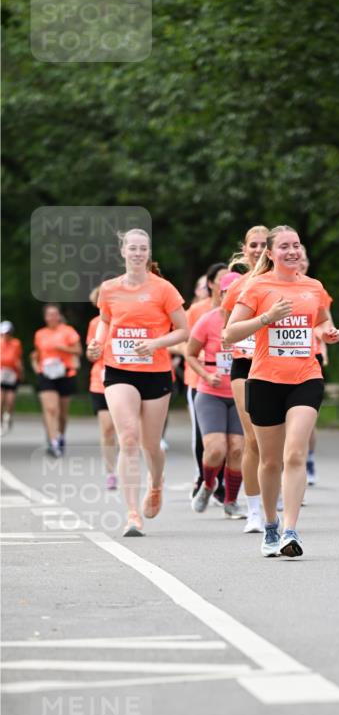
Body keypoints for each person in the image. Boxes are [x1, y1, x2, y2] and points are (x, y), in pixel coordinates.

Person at [224, 225, 339, 557]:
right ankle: (271, 525)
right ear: (271, 254)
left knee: (294, 454)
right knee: (271, 460)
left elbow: (318, 321)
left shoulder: (313, 286)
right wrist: (266, 318)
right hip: (264, 381)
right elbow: (230, 333)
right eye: (284, 247)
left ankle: (291, 530)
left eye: (296, 245)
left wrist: (326, 332)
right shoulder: (257, 286)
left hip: (306, 377)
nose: (291, 251)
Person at [86, 229, 187, 537]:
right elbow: (105, 321)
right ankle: (132, 515)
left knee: (150, 444)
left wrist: (156, 344)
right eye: (133, 248)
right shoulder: (109, 288)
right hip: (118, 370)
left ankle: (156, 484)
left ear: (148, 253)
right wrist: (97, 344)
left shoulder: (164, 289)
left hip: (155, 372)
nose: (138, 253)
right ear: (123, 252)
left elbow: (184, 331)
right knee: (128, 438)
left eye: (143, 248)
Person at [220, 225, 270, 533]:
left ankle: (272, 503)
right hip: (244, 366)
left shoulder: (283, 283)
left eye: (265, 244)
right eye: (254, 244)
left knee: (275, 445)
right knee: (252, 439)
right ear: (245, 247)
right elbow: (227, 331)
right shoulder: (237, 286)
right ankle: (253, 510)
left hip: (277, 367)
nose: (259, 249)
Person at [186, 294, 245, 518]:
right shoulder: (208, 320)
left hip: (240, 394)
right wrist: (206, 375)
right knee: (216, 448)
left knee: (238, 448)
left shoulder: (252, 319)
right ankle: (208, 485)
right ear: (221, 295)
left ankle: (231, 501)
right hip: (211, 393)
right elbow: (189, 353)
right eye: (227, 292)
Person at [183, 263, 228, 502]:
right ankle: (204, 477)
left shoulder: (239, 311)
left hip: (230, 381)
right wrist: (200, 355)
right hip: (199, 379)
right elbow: (183, 342)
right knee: (204, 436)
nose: (226, 284)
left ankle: (220, 485)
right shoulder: (197, 311)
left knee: (231, 439)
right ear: (211, 284)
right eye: (221, 279)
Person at [299, 244, 332, 486]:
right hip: (279, 360)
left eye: (303, 257)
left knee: (309, 418)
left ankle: (307, 458)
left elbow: (324, 321)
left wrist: (326, 346)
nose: (299, 261)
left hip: (313, 354)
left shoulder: (315, 288)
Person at [30, 304, 82, 457]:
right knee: (51, 409)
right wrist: (35, 360)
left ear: (59, 316)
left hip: (65, 373)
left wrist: (63, 348)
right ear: (45, 317)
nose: (52, 317)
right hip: (46, 374)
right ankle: (53, 442)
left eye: (55, 314)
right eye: (49, 314)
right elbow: (38, 353)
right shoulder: (40, 334)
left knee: (62, 414)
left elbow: (78, 351)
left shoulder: (68, 331)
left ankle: (60, 436)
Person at [86, 289, 118, 489]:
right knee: (107, 429)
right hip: (100, 381)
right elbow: (91, 354)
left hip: (126, 378)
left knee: (128, 430)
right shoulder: (94, 324)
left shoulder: (126, 319)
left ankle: (128, 466)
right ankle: (110, 471)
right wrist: (93, 351)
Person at [0, 321, 23, 435]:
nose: (6, 336)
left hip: (12, 375)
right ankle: (0, 422)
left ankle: (8, 416)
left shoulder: (16, 343)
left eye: (8, 333)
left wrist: (21, 372)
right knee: (0, 400)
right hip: (1, 373)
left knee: (10, 400)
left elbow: (17, 359)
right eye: (4, 333)